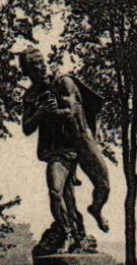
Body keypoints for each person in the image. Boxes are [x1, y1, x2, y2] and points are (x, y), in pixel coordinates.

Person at [19, 49, 112, 254]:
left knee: (104, 186)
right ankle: (68, 230)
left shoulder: (63, 82)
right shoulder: (31, 96)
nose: (42, 69)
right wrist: (41, 112)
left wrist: (49, 112)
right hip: (60, 149)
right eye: (35, 68)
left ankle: (95, 209)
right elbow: (26, 127)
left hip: (82, 140)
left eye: (42, 64)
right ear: (28, 73)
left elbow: (70, 113)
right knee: (56, 192)